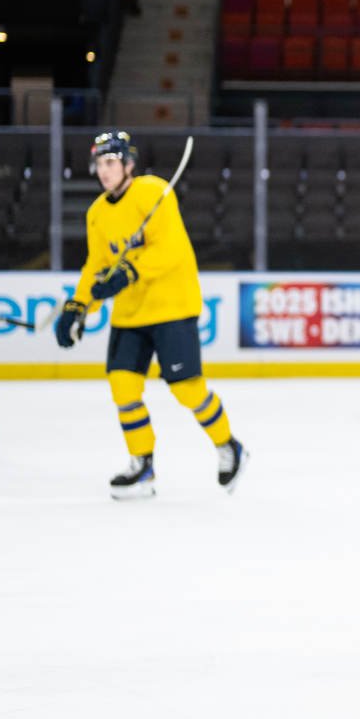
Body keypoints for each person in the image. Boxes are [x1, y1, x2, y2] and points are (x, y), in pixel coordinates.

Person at [52, 131, 248, 500]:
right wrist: (78, 306)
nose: (104, 171)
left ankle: (228, 446)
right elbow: (97, 265)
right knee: (123, 386)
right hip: (131, 314)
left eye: (111, 163)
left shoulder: (154, 192)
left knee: (187, 390)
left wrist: (128, 273)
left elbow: (171, 248)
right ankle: (142, 465)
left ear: (128, 164)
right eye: (99, 164)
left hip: (171, 306)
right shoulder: (97, 213)